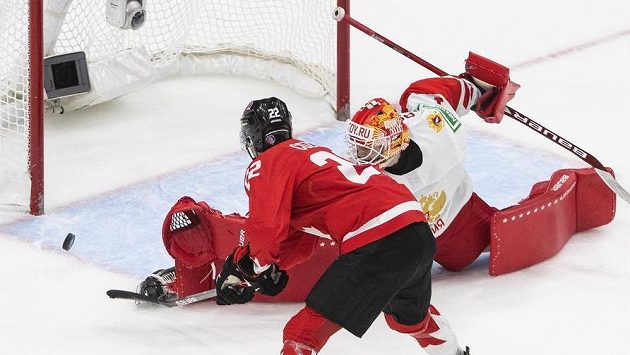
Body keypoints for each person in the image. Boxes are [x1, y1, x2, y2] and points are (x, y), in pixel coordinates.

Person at [214, 97, 470, 354]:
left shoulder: (265, 164)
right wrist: (272, 269)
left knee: (301, 334)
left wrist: (247, 267)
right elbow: (302, 242)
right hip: (416, 230)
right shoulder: (314, 154)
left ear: (252, 137)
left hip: (378, 238)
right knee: (411, 318)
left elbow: (266, 233)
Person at [346, 53, 616, 273]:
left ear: (396, 140)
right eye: (359, 146)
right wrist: (477, 89)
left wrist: (478, 89)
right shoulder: (425, 121)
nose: (359, 155)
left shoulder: (432, 129)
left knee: (464, 257)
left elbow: (431, 95)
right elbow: (429, 94)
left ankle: (554, 191)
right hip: (414, 233)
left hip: (456, 216)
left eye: (370, 147)